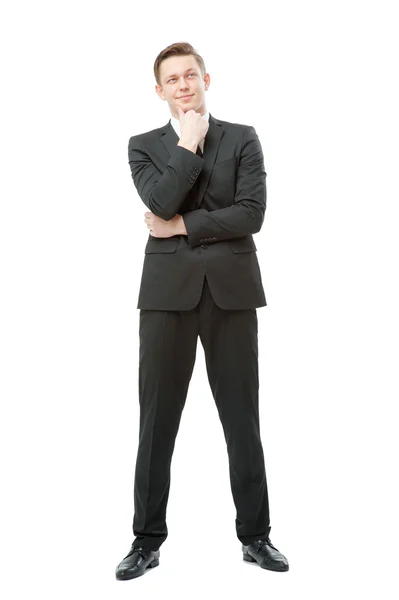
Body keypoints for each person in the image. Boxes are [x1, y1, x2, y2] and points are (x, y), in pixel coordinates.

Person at [115, 42, 289, 580]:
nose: (184, 85)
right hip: (167, 297)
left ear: (207, 79)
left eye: (191, 75)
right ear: (160, 90)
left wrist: (184, 227)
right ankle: (146, 540)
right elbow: (160, 201)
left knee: (242, 418)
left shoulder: (243, 137)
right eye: (173, 79)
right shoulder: (144, 145)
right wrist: (187, 148)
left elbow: (252, 214)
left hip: (231, 293)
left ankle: (255, 536)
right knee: (156, 421)